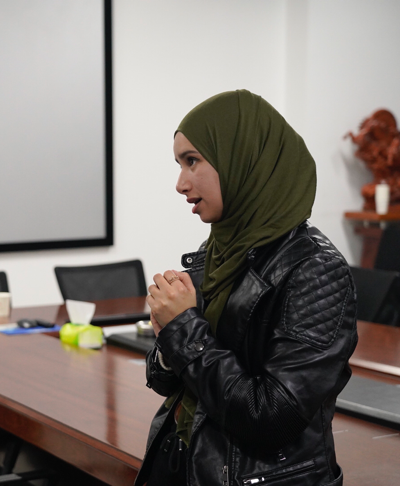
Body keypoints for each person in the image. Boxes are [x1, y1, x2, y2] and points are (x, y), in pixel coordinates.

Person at [136, 90, 358, 486]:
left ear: (242, 159)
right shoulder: (220, 250)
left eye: (192, 161)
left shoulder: (315, 270)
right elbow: (164, 379)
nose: (180, 183)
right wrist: (169, 339)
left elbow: (271, 417)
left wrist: (182, 328)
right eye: (179, 164)